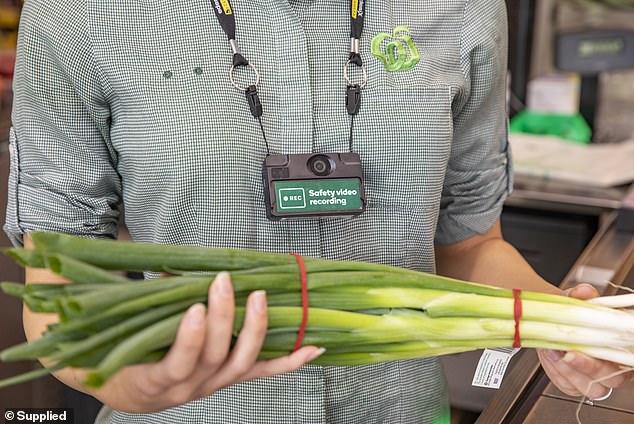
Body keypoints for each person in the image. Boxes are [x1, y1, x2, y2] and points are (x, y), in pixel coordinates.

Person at [4, 0, 632, 423]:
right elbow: (58, 292)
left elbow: (468, 245)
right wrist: (127, 386)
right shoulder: (77, 14)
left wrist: (562, 323)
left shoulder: (463, 9)